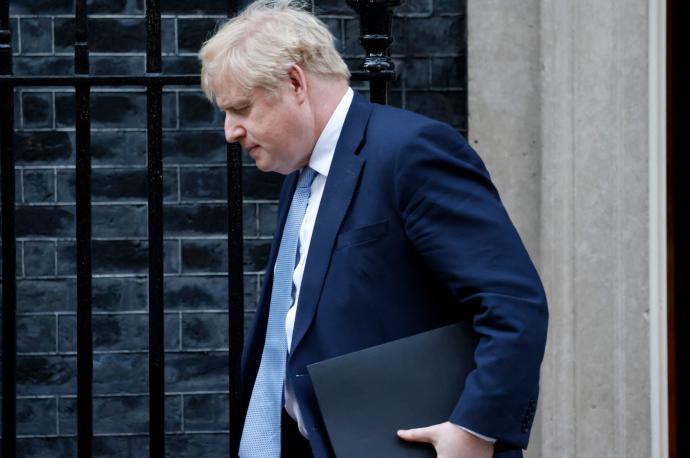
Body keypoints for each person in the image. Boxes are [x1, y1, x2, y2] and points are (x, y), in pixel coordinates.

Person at [199, 1, 548, 457]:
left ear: (295, 82)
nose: (230, 131)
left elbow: (513, 304)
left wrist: (475, 429)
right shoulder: (301, 180)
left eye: (240, 108)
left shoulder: (411, 153)